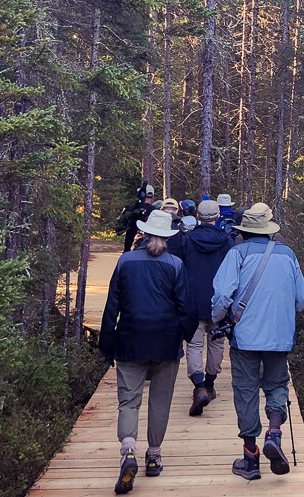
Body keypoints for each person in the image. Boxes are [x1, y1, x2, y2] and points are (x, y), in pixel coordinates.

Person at [100, 210, 198, 494]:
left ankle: (128, 450)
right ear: (168, 235)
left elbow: (111, 308)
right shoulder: (175, 264)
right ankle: (153, 456)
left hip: (131, 340)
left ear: (143, 233)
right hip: (166, 342)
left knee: (128, 401)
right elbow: (187, 308)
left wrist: (108, 345)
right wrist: (186, 337)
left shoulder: (125, 262)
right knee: (160, 401)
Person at [211, 202, 304, 481]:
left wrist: (217, 319)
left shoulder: (236, 254)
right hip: (280, 337)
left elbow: (221, 296)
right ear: (268, 231)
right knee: (277, 384)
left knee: (246, 391)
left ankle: (250, 459)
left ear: (244, 231)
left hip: (245, 338)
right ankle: (274, 435)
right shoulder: (288, 255)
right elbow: (303, 299)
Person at [174, 199, 233, 416]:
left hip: (193, 301)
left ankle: (199, 387)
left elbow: (180, 269)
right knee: (216, 344)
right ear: (217, 217)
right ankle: (210, 383)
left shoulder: (187, 241)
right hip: (218, 301)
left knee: (195, 344)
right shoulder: (227, 242)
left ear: (198, 217)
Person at [117, 183, 155, 253]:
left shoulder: (130, 209)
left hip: (129, 252)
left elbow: (119, 229)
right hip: (150, 252)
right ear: (152, 196)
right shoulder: (155, 212)